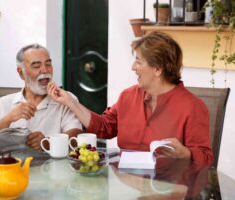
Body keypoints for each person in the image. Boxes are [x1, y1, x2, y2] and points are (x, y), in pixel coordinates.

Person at [48, 31, 213, 165]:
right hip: (125, 185)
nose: (133, 67)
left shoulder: (192, 107)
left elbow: (205, 159)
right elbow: (103, 127)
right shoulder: (128, 96)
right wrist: (70, 101)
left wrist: (186, 153)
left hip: (167, 188)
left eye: (138, 62)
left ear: (158, 69)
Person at [0, 43, 82, 150]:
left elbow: (77, 136)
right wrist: (7, 119)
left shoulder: (67, 99)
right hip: (12, 165)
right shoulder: (4, 103)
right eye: (36, 66)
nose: (45, 70)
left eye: (48, 64)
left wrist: (48, 143)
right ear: (21, 73)